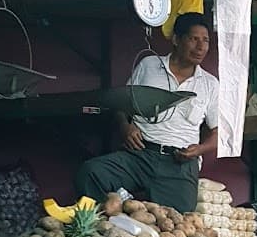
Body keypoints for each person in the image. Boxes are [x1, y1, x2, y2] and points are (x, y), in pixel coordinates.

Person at [76, 13, 219, 215]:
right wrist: (126, 127)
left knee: (179, 217)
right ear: (177, 40)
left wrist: (200, 150)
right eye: (193, 39)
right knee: (90, 173)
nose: (201, 47)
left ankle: (132, 221)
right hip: (140, 155)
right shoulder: (150, 65)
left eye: (205, 40)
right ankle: (110, 226)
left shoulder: (210, 84)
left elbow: (218, 133)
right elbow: (121, 106)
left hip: (178, 164)